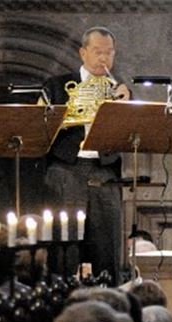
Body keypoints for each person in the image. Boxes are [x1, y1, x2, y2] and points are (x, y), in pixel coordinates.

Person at [43, 26, 132, 283]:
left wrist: (125, 109)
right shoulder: (57, 85)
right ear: (83, 53)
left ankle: (112, 305)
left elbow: (128, 136)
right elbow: (43, 128)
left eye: (109, 53)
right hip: (67, 171)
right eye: (97, 52)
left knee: (109, 249)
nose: (104, 59)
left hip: (104, 172)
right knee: (65, 248)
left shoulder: (119, 90)